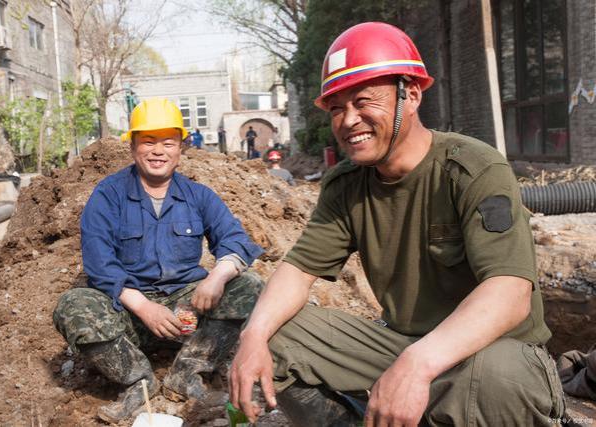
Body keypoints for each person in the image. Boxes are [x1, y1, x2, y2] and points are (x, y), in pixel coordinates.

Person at [229, 22, 564, 426]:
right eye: (337, 108)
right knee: (276, 335)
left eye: (364, 101)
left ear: (413, 94)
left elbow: (509, 293)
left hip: (493, 351)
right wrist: (252, 336)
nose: (349, 120)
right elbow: (299, 270)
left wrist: (416, 365)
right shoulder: (347, 186)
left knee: (497, 376)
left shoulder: (472, 169)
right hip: (405, 344)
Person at [52, 98, 264, 423]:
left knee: (249, 286)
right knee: (72, 305)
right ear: (133, 146)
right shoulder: (108, 195)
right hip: (129, 316)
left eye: (168, 142)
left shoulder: (198, 195)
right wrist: (143, 306)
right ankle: (138, 381)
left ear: (181, 147)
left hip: (187, 315)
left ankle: (188, 373)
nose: (158, 151)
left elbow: (235, 241)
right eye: (148, 142)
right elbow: (98, 262)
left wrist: (216, 278)